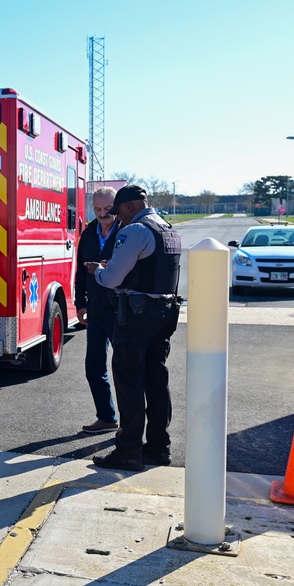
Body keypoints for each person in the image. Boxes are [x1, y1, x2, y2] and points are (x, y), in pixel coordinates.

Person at [85, 185, 181, 472]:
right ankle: (157, 447)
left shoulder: (135, 230)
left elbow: (113, 278)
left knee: (128, 382)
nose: (118, 220)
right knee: (156, 381)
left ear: (129, 207)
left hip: (137, 316)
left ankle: (128, 451)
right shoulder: (167, 228)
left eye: (119, 212)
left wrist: (98, 271)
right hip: (164, 313)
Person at [75, 186, 121, 434]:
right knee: (94, 368)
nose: (103, 215)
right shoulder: (89, 232)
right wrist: (79, 303)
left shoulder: (126, 231)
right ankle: (106, 417)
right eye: (97, 209)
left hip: (119, 311)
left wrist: (106, 267)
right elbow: (80, 272)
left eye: (107, 209)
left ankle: (132, 424)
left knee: (124, 368)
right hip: (95, 310)